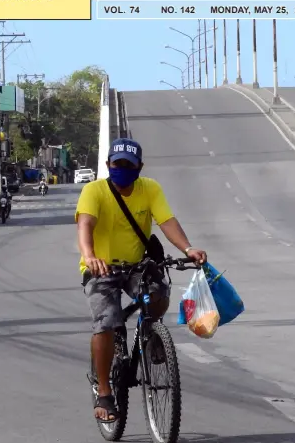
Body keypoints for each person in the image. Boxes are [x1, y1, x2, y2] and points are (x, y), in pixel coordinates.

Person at [75, 138, 207, 423]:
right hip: (102, 269)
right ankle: (105, 392)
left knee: (159, 291)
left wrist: (187, 248)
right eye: (117, 164)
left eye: (128, 165)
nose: (122, 169)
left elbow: (167, 221)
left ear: (139, 167)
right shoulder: (94, 191)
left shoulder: (150, 188)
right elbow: (85, 224)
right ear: (109, 165)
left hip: (137, 265)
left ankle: (151, 337)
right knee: (107, 323)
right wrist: (90, 256)